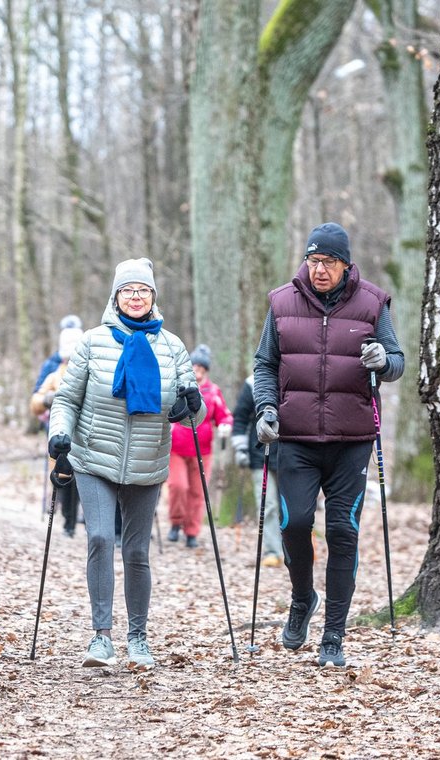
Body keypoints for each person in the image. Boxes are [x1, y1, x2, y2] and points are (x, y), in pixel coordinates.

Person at [253, 222, 403, 668]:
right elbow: (265, 363)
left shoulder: (373, 303)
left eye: (328, 262)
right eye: (313, 260)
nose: (319, 269)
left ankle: (333, 636)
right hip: (295, 438)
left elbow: (395, 362)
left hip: (352, 439)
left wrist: (384, 361)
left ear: (345, 265)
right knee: (295, 525)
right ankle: (303, 599)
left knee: (343, 532)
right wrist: (266, 409)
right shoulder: (281, 303)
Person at [47, 257, 205, 670]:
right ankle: (101, 638)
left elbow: (192, 410)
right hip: (92, 456)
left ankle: (139, 636)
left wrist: (193, 405)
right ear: (115, 296)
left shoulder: (172, 347)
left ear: (153, 297)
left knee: (136, 550)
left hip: (148, 461)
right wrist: (58, 434)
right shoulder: (93, 342)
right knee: (100, 537)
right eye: (128, 290)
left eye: (143, 290)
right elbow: (65, 399)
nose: (135, 297)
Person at [166, 344, 232, 549]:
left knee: (197, 491)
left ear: (206, 370)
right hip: (177, 448)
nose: (198, 371)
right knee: (178, 486)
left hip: (202, 451)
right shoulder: (180, 388)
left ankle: (192, 531)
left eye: (202, 368)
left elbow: (225, 415)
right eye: (195, 366)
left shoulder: (213, 392)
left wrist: (224, 426)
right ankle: (176, 522)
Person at [30, 325, 84, 537]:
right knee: (64, 475)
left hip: (85, 433)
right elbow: (35, 401)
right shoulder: (54, 375)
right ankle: (68, 523)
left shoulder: (90, 372)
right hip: (61, 434)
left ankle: (79, 521)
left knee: (83, 478)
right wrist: (46, 399)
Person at [230, 375, 283, 567]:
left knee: (291, 506)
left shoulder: (299, 373)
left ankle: (292, 549)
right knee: (267, 505)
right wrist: (241, 449)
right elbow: (240, 418)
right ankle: (272, 551)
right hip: (261, 454)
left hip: (292, 455)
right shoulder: (253, 382)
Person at [34, 314, 83, 393]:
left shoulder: (89, 366)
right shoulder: (51, 365)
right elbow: (36, 397)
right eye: (68, 343)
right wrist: (47, 399)